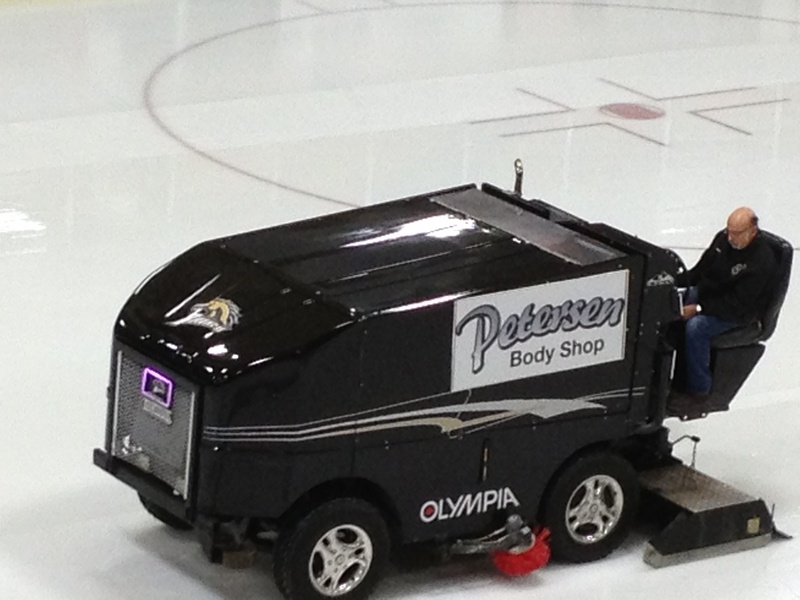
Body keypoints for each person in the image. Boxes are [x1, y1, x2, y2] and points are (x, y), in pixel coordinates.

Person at [668, 207, 777, 414]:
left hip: (739, 314)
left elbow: (738, 304)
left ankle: (699, 391)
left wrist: (699, 308)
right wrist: (675, 283)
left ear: (752, 230)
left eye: (737, 233)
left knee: (696, 327)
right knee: (674, 303)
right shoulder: (723, 240)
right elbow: (701, 271)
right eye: (729, 231)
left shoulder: (761, 261)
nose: (731, 238)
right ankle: (670, 378)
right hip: (712, 298)